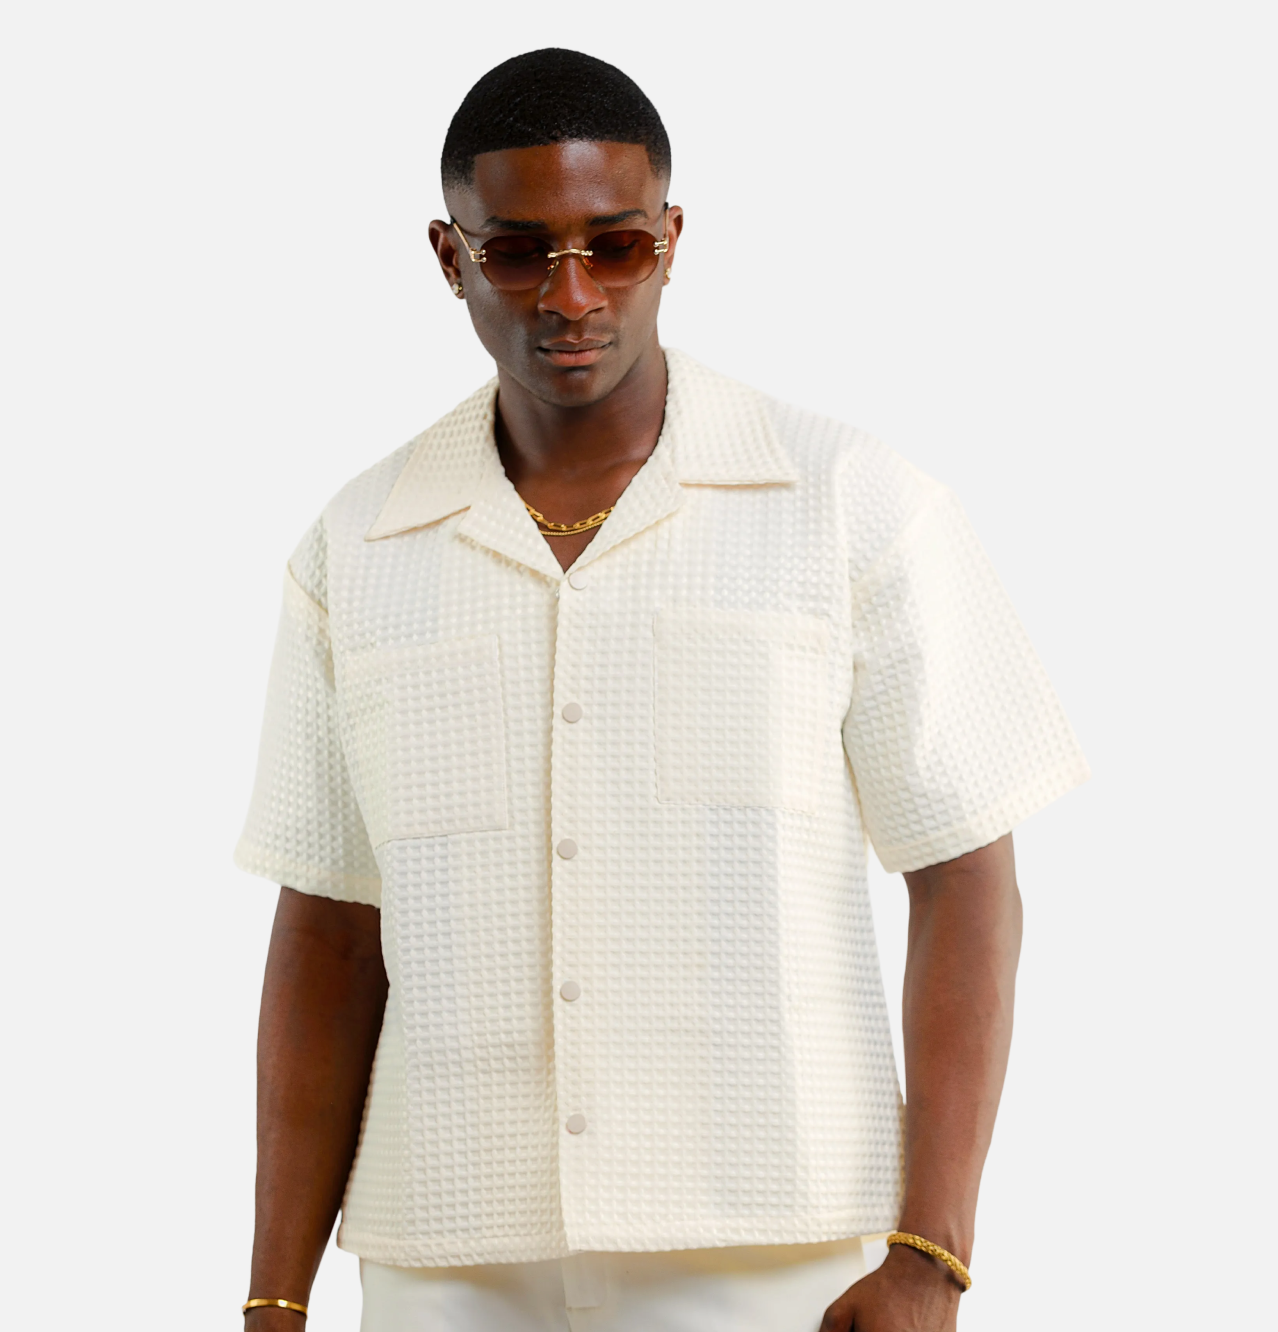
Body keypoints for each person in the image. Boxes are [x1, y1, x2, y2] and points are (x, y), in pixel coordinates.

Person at [235, 47, 1088, 1332]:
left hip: (769, 1252)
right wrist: (274, 1297)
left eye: (616, 246)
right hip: (447, 1258)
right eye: (518, 253)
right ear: (450, 256)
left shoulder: (848, 505)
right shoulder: (356, 547)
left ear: (673, 240)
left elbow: (965, 875)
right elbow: (329, 933)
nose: (571, 295)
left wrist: (931, 1252)